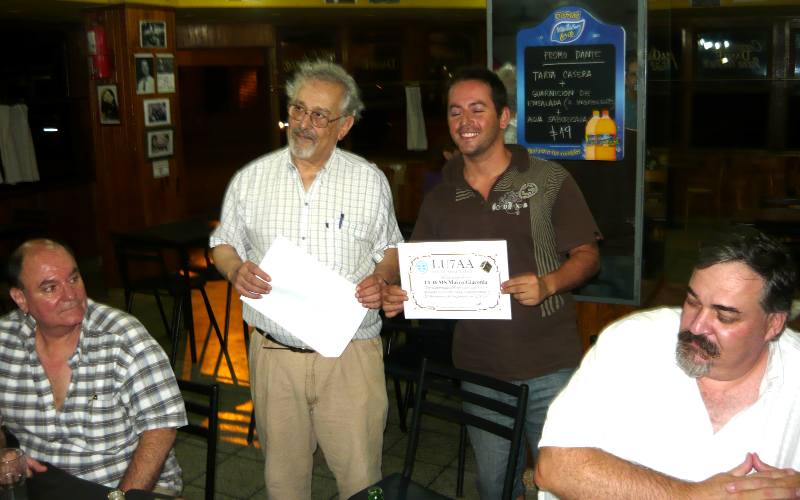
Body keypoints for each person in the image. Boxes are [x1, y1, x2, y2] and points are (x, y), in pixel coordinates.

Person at [383, 67, 601, 500]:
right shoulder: (440, 197)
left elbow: (588, 256)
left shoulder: (548, 179)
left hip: (550, 365)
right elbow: (417, 270)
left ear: (503, 117)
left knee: (562, 484)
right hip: (480, 367)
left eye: (477, 109)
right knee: (494, 485)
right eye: (455, 111)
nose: (465, 120)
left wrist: (548, 284)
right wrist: (400, 295)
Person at [210, 59, 402, 500]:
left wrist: (381, 276)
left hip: (350, 357)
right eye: (298, 109)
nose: (303, 124)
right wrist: (234, 268)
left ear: (344, 125)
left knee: (361, 481)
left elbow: (391, 249)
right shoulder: (251, 179)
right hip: (274, 355)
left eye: (319, 115)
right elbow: (223, 243)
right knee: (284, 484)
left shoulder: (368, 181)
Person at [535, 227, 800, 499]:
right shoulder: (634, 342)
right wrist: (690, 496)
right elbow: (555, 466)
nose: (696, 327)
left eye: (724, 316)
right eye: (692, 302)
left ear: (773, 324)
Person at [0, 239, 186, 495]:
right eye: (51, 288)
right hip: (41, 485)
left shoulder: (123, 338)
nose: (71, 295)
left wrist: (120, 497)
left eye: (73, 279)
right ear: (20, 298)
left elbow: (161, 429)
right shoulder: (4, 341)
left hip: (126, 486)